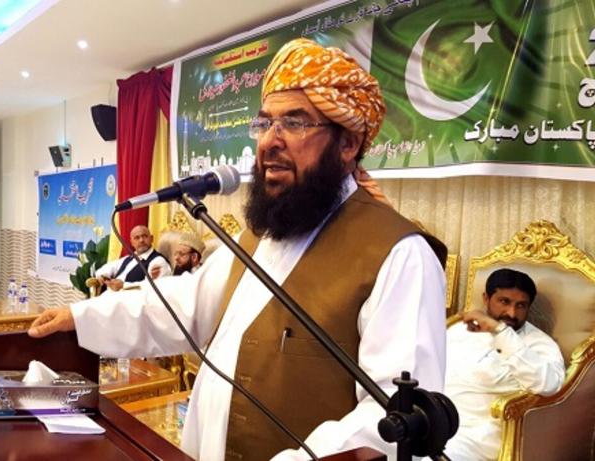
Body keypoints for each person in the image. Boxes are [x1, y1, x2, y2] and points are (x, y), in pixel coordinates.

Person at [29, 38, 448, 460]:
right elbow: (183, 306)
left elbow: (391, 422)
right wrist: (80, 318)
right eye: (265, 123)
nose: (269, 142)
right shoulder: (260, 235)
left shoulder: (399, 256)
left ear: (348, 144)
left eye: (295, 123)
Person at [444, 268, 565, 461]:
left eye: (521, 305)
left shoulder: (540, 345)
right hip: (434, 420)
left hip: (477, 438)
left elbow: (550, 385)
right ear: (486, 298)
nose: (512, 313)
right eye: (504, 302)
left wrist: (500, 331)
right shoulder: (459, 330)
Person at [94, 225, 171, 291]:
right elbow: (103, 270)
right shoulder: (127, 259)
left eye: (144, 236)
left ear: (151, 238)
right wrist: (102, 276)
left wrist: (123, 285)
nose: (141, 240)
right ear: (132, 242)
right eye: (137, 238)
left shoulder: (158, 261)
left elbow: (155, 287)